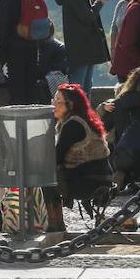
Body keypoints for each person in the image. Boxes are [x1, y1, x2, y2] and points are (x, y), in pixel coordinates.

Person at [49, 83, 112, 229]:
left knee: (42, 178)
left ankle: (54, 224)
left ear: (70, 105)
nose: (53, 105)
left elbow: (56, 157)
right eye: (53, 100)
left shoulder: (73, 124)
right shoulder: (83, 119)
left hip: (88, 182)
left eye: (58, 102)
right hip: (102, 178)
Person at [53, 0, 112, 94]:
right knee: (79, 88)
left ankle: (83, 107)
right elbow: (88, 17)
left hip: (83, 48)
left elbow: (85, 12)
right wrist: (100, 2)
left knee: (85, 86)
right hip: (81, 49)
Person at [101, 65, 140, 191]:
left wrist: (102, 108)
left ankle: (122, 175)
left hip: (123, 156)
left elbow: (103, 126)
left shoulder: (117, 104)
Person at [0, 0, 42, 104]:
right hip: (32, 45)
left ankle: (18, 118)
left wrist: (1, 52)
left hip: (14, 48)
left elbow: (2, 25)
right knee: (30, 88)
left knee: (17, 91)